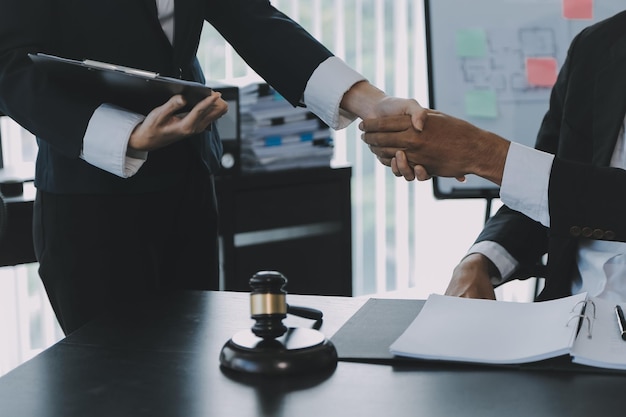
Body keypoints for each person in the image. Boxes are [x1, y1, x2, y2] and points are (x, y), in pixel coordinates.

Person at [0, 0, 425, 334]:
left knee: (192, 378)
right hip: (90, 199)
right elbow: (9, 64)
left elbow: (250, 16)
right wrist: (123, 135)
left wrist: (372, 104)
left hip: (189, 181)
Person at [361, 10, 626, 302]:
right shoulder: (595, 46)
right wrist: (480, 262)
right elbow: (543, 194)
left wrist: (481, 153)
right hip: (564, 320)